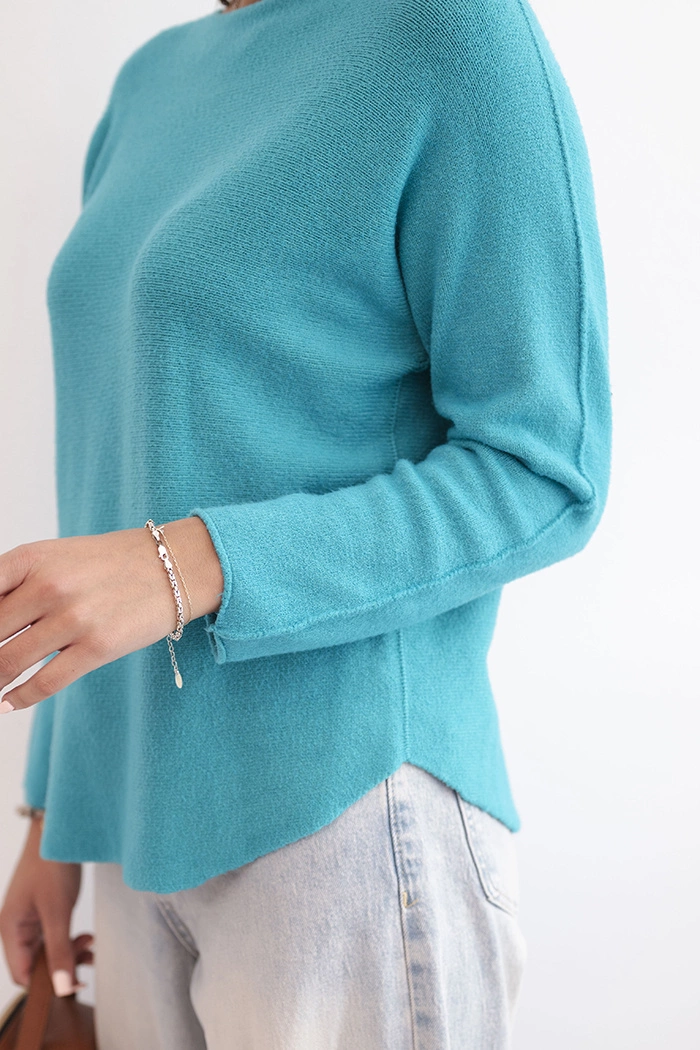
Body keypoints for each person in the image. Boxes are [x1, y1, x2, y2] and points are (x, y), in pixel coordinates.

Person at [0, 0, 612, 1046]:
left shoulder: (450, 34)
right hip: (135, 836)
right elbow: (109, 478)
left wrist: (189, 563)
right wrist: (54, 814)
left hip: (345, 822)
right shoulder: (152, 79)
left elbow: (544, 468)